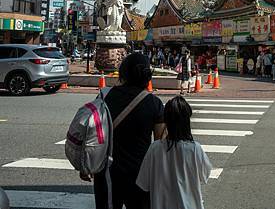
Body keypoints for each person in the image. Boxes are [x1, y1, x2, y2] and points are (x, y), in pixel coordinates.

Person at [86, 53, 166, 209]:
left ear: (123, 72)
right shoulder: (154, 103)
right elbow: (160, 144)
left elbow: (92, 133)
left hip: (107, 172)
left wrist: (87, 164)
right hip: (141, 174)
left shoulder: (104, 96)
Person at [137, 96, 213, 209]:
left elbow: (144, 183)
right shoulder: (194, 148)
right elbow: (204, 175)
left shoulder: (155, 148)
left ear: (166, 121)